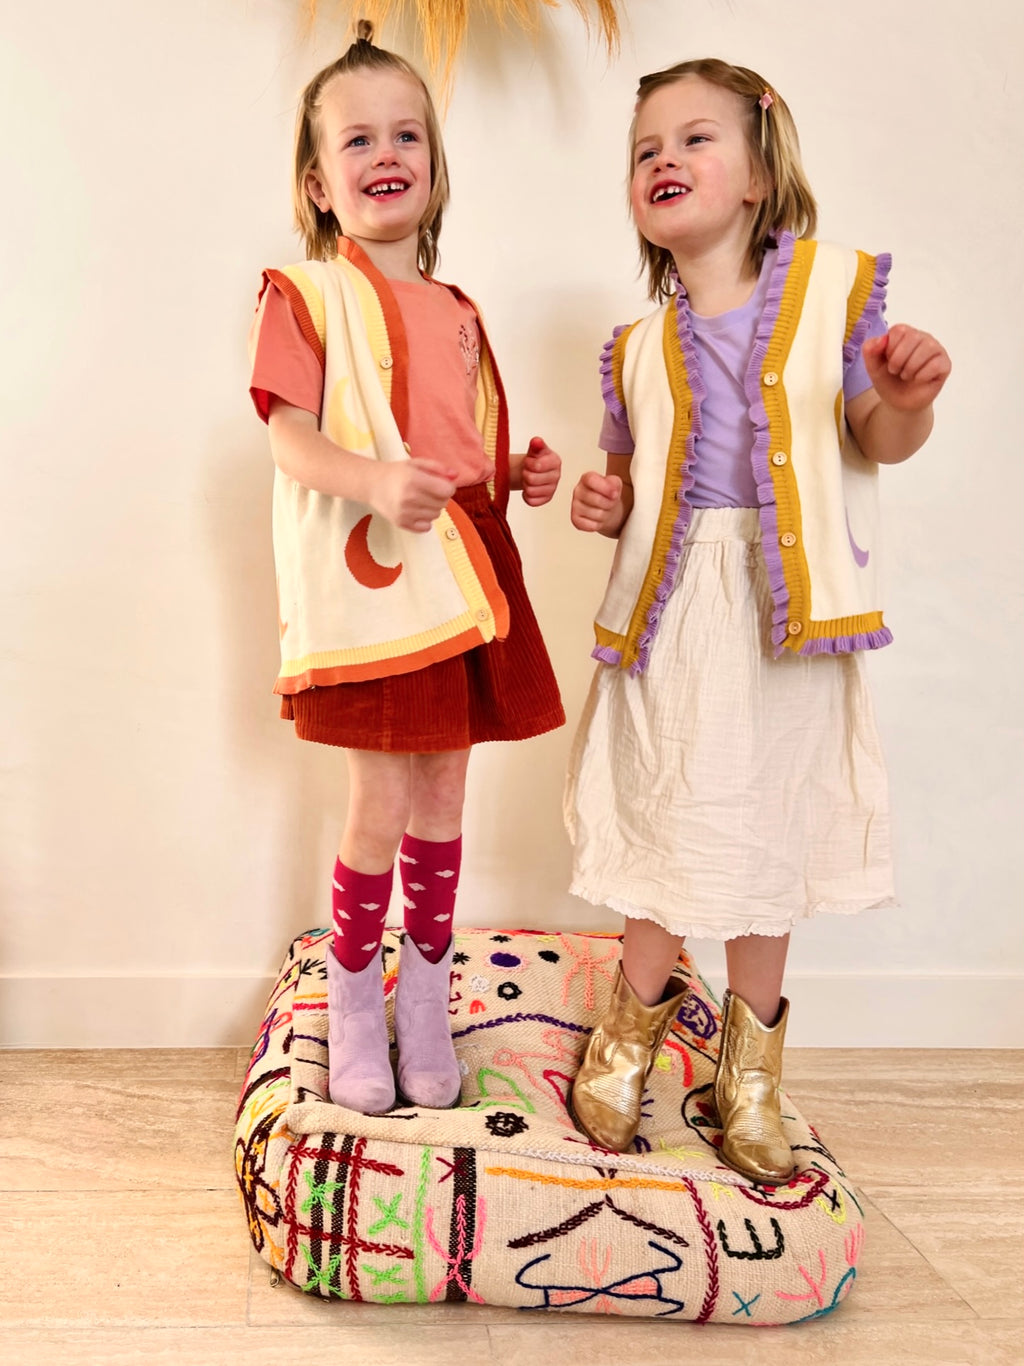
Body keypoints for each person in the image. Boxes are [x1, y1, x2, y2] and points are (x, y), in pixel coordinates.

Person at [565, 58, 950, 1182]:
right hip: (674, 615)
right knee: (667, 818)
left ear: (758, 173)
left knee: (765, 834)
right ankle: (627, 1036)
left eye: (695, 138)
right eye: (646, 149)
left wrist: (906, 400)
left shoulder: (833, 297)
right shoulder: (635, 349)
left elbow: (875, 435)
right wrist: (605, 506)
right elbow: (629, 489)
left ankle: (750, 1075)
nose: (665, 159)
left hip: (784, 616)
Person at [248, 22, 564, 1115]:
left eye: (408, 135)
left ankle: (423, 997)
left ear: (434, 164)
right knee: (381, 795)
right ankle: (352, 998)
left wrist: (510, 471)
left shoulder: (458, 308)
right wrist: (376, 483)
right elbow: (292, 440)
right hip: (381, 578)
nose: (386, 153)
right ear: (317, 183)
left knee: (444, 789)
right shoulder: (301, 295)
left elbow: (453, 445)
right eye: (357, 140)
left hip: (462, 563)